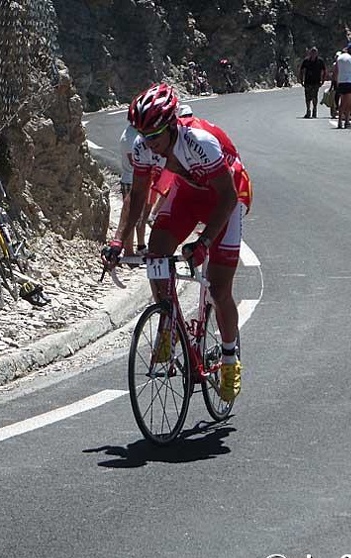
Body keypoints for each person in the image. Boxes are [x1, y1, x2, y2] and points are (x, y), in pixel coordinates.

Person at [102, 83, 252, 403]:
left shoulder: (201, 142)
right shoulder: (144, 147)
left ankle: (228, 359)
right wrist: (118, 241)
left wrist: (204, 241)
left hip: (227, 196)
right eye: (144, 136)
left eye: (155, 136)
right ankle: (167, 321)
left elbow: (226, 198)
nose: (149, 144)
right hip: (189, 195)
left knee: (218, 286)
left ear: (172, 126)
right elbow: (138, 197)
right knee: (156, 253)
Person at [117, 123, 154, 255]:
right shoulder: (134, 137)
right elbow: (137, 161)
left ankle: (134, 248)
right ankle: (129, 252)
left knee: (134, 217)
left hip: (128, 178)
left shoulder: (127, 134)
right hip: (135, 180)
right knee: (134, 217)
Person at [333, 43, 351, 129]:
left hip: (341, 82)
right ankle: (346, 121)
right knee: (349, 103)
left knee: (342, 102)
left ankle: (339, 122)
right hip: (350, 82)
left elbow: (336, 71)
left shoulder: (339, 58)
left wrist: (336, 82)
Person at [298, 47, 326, 118]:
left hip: (316, 82)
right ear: (310, 53)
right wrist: (301, 80)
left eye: (315, 52)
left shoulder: (320, 61)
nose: (313, 54)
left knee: (314, 96)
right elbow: (301, 70)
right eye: (312, 52)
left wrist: (323, 81)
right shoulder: (306, 61)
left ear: (317, 53)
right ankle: (308, 111)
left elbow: (324, 71)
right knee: (307, 97)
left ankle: (314, 110)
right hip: (308, 82)